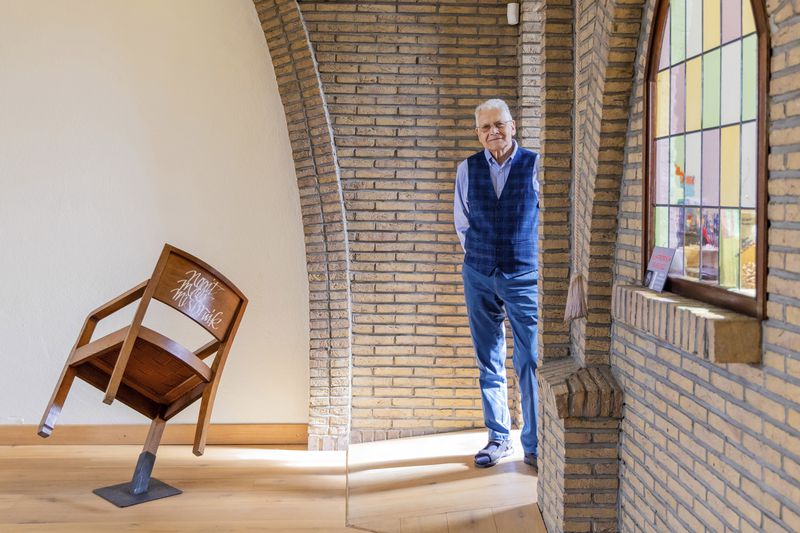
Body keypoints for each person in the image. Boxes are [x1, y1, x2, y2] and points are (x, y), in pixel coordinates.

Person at [454, 98, 540, 472]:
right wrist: (482, 259)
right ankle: (498, 438)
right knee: (488, 358)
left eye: (499, 124)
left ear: (513, 125)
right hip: (479, 272)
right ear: (478, 133)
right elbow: (463, 222)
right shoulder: (467, 169)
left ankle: (535, 443)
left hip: (524, 274)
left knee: (531, 359)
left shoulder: (536, 164)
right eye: (486, 127)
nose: (494, 132)